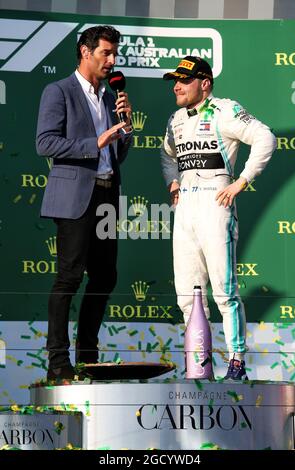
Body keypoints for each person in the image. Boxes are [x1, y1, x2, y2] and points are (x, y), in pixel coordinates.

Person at [161, 56, 276, 380]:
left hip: (215, 204)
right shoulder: (175, 119)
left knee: (224, 291)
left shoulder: (225, 110)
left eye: (184, 80)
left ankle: (237, 362)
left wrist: (241, 181)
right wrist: (172, 181)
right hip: (185, 209)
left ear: (205, 83)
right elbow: (167, 154)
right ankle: (200, 364)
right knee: (187, 295)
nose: (177, 86)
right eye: (174, 80)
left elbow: (266, 137)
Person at [36, 25, 132, 381]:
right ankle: (58, 362)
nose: (112, 60)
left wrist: (125, 128)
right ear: (85, 51)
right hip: (76, 196)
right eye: (106, 53)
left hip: (107, 192)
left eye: (114, 54)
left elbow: (116, 153)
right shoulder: (58, 91)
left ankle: (88, 358)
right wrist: (96, 141)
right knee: (69, 276)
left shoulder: (109, 97)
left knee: (105, 276)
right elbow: (45, 143)